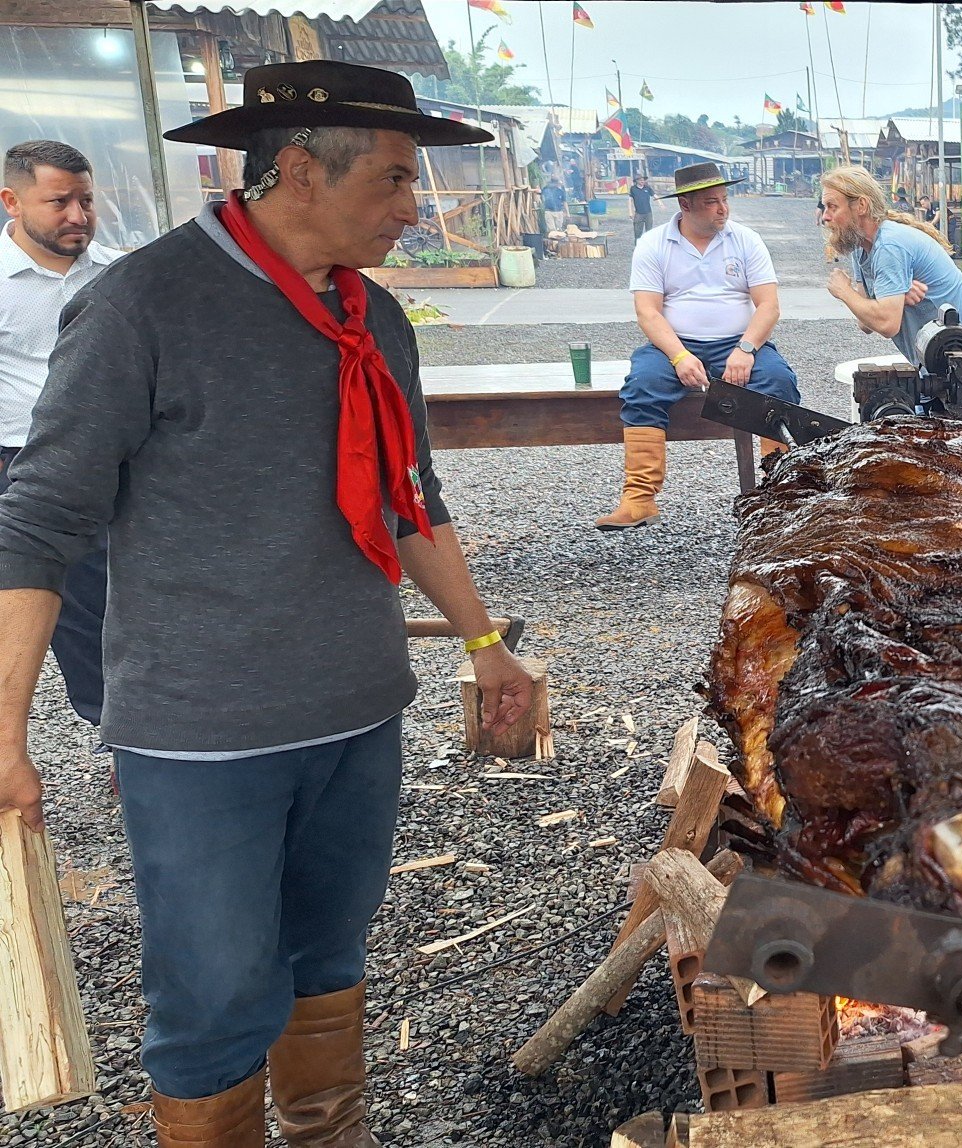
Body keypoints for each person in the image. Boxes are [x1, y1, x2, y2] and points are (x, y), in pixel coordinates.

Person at [0, 62, 533, 1147]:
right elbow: (41, 518)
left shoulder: (371, 312)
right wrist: (5, 729)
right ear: (296, 170)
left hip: (357, 708)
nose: (410, 207)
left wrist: (485, 643)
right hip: (203, 735)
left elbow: (410, 493)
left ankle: (331, 1131)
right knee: (212, 995)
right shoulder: (144, 301)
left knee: (328, 960)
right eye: (391, 180)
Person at [598, 161, 799, 531]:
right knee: (642, 386)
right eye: (711, 202)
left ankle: (781, 492)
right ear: (685, 205)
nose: (723, 208)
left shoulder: (746, 240)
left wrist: (747, 348)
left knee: (779, 385)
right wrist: (678, 355)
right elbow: (647, 311)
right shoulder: (653, 243)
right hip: (674, 343)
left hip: (738, 343)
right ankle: (639, 498)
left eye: (724, 200)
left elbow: (768, 305)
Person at [0, 140, 119, 728]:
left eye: (87, 200)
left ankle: (143, 725)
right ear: (12, 202)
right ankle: (114, 727)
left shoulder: (123, 275)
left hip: (117, 454)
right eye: (59, 202)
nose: (78, 216)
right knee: (74, 603)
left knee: (133, 589)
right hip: (23, 458)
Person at [821, 164, 962, 412]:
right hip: (934, 358)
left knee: (943, 440)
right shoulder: (861, 247)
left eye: (832, 207)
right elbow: (866, 324)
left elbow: (886, 323)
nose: (824, 217)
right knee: (919, 434)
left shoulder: (890, 246)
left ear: (860, 206)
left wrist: (844, 292)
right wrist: (895, 297)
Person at [628, 171, 656, 240]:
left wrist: (660, 202)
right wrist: (630, 212)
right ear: (637, 181)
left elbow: (654, 195)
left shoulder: (647, 188)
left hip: (648, 213)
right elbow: (630, 201)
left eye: (643, 180)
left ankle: (649, 249)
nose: (642, 181)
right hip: (638, 214)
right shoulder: (633, 189)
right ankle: (638, 248)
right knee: (637, 234)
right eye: (640, 180)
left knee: (649, 233)